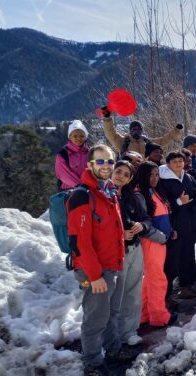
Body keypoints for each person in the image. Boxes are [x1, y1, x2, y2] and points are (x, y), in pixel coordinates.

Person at [67, 144, 134, 374]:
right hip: (95, 271)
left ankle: (113, 349)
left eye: (109, 162)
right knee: (95, 318)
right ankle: (92, 362)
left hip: (112, 265)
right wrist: (94, 276)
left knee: (111, 313)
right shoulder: (82, 196)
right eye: (100, 162)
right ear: (90, 164)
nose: (106, 166)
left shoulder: (109, 192)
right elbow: (80, 243)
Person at [111, 161, 152, 346]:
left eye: (126, 174)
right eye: (118, 171)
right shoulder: (104, 196)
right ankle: (112, 335)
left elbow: (146, 219)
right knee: (115, 295)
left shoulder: (133, 197)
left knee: (133, 292)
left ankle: (129, 331)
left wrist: (141, 226)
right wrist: (119, 236)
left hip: (135, 249)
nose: (121, 176)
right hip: (115, 253)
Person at [158, 151, 196, 299]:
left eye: (181, 161)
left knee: (188, 257)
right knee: (172, 260)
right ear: (168, 164)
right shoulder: (163, 180)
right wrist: (179, 203)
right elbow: (161, 203)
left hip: (189, 223)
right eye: (175, 161)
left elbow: (192, 198)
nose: (179, 164)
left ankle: (186, 287)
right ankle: (165, 296)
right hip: (174, 226)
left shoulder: (188, 177)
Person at [134, 162, 176, 327]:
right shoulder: (140, 194)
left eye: (156, 174)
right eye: (151, 175)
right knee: (157, 278)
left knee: (150, 279)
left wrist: (170, 230)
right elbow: (145, 221)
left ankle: (145, 314)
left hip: (159, 240)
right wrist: (160, 236)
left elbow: (161, 216)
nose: (154, 178)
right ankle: (159, 316)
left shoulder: (153, 192)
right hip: (152, 241)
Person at [101, 113, 182, 157]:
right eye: (133, 128)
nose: (136, 131)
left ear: (142, 130)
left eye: (138, 129)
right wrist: (107, 119)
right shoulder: (123, 141)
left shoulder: (147, 141)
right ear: (130, 130)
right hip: (130, 171)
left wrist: (176, 130)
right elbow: (110, 133)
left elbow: (163, 140)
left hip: (146, 171)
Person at [55, 120, 90, 190]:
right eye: (75, 136)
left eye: (82, 136)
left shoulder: (90, 152)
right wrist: (80, 186)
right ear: (70, 137)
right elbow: (64, 175)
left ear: (85, 137)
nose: (79, 138)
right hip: (69, 190)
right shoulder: (63, 154)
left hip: (88, 189)